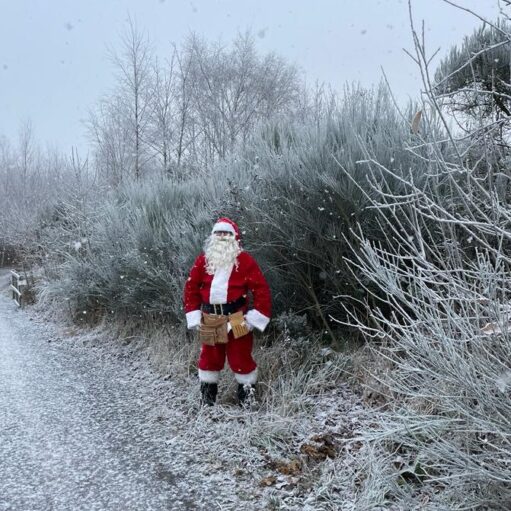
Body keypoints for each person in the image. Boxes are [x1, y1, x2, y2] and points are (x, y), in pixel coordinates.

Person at [183, 217, 271, 406]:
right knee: (209, 359)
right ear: (213, 236)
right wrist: (194, 314)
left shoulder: (245, 261)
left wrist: (253, 319)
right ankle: (207, 402)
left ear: (234, 236)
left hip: (238, 318)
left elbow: (261, 290)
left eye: (226, 233)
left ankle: (247, 402)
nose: (222, 237)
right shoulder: (204, 260)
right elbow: (191, 288)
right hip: (211, 317)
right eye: (219, 233)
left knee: (241, 357)